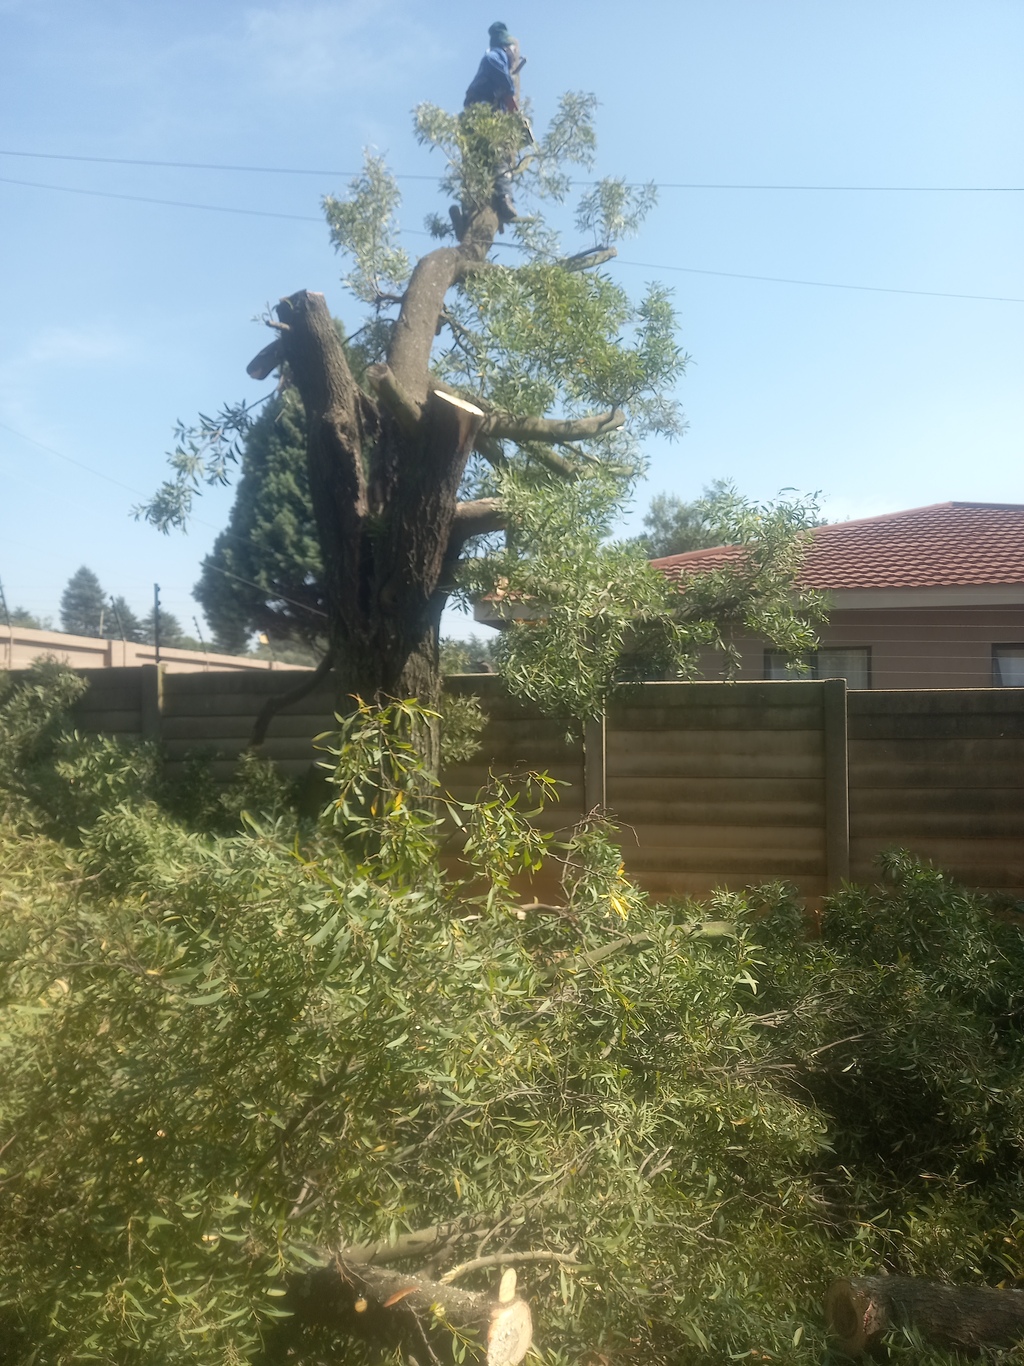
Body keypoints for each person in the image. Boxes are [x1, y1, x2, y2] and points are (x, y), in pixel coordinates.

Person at [461, 22, 523, 227]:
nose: (515, 57)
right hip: (480, 112)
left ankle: (475, 206)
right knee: (498, 157)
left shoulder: (500, 67)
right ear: (509, 48)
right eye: (515, 51)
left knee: (482, 161)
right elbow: (493, 64)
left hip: (478, 115)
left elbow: (505, 108)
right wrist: (509, 89)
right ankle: (504, 199)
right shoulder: (496, 57)